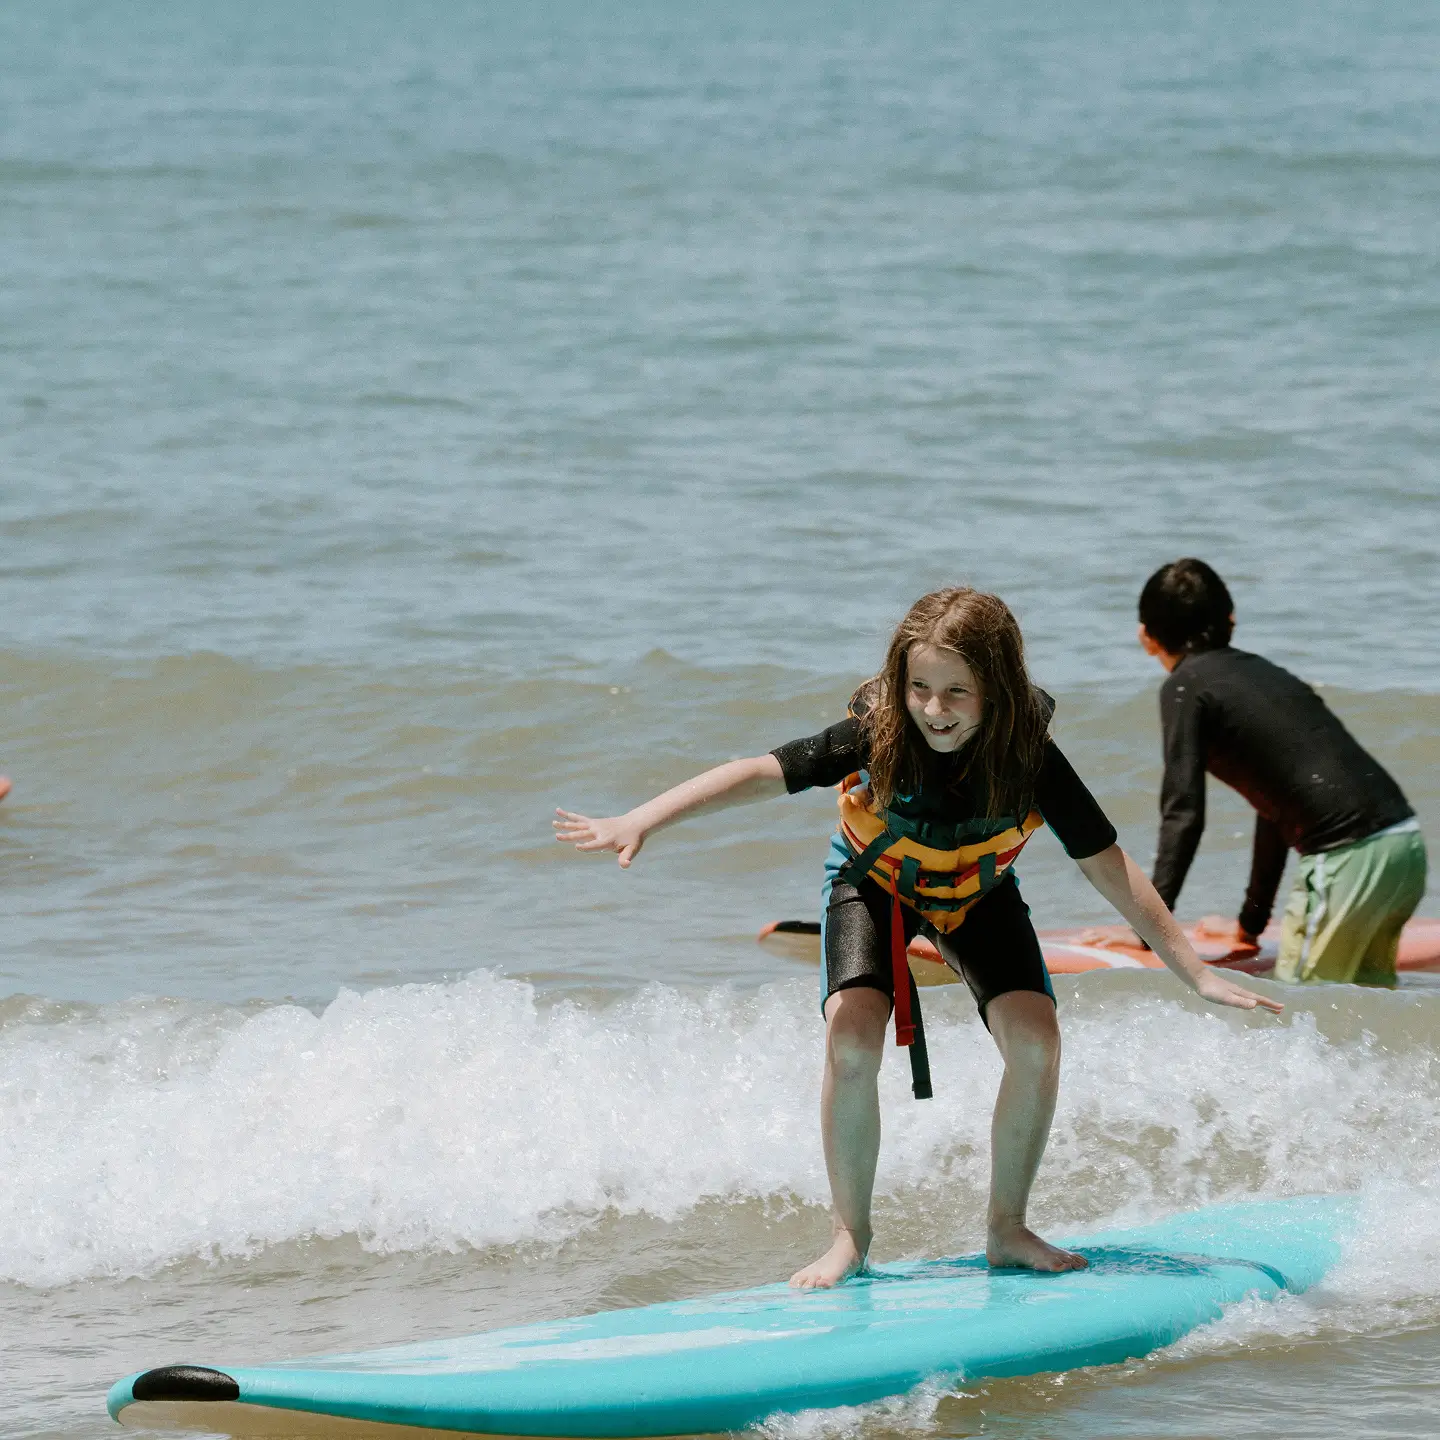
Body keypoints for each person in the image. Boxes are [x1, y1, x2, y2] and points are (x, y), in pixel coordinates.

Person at [557, 587, 1281, 1289]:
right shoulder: (877, 734)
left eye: (957, 692)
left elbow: (1109, 868)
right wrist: (643, 818)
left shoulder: (1029, 759)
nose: (934, 710)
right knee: (851, 1039)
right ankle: (850, 1236)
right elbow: (760, 772)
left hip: (977, 896)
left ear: (996, 689)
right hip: (872, 881)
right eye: (920, 688)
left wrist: (1195, 972)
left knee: (1037, 1041)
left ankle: (1008, 1228)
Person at [1138, 558, 1427, 987]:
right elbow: (1275, 805)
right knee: (1358, 1012)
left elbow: (1183, 814)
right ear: (1230, 621)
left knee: (1294, 1013)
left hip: (1345, 861)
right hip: (1403, 847)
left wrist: (1149, 934)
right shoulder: (1265, 675)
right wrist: (1249, 929)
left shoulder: (1186, 687)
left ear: (1146, 636)